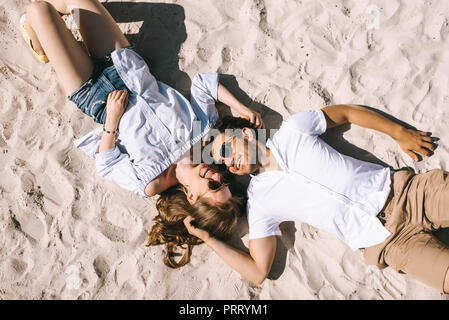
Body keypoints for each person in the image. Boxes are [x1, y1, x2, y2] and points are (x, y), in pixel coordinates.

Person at [182, 104, 449, 294]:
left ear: (247, 134)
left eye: (226, 148)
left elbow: (345, 113)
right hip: (387, 243)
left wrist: (398, 132)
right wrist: (209, 239)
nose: (229, 162)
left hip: (408, 194)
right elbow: (258, 271)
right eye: (224, 163)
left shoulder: (293, 130)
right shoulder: (259, 203)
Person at [20, 0, 264, 204]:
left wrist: (112, 121)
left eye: (212, 186)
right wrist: (242, 107)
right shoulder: (202, 135)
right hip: (126, 67)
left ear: (191, 196)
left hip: (94, 96)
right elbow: (203, 85)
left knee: (38, 9)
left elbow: (107, 163)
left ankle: (39, 39)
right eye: (223, 180)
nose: (216, 176)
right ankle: (44, 35)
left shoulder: (150, 182)